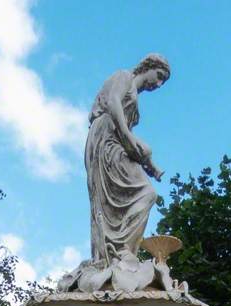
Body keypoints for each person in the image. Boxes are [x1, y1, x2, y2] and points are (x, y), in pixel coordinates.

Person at [59, 54, 171, 291]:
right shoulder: (124, 77)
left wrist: (146, 159)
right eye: (159, 77)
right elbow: (113, 103)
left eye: (163, 82)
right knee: (138, 195)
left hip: (118, 144)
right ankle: (113, 254)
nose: (158, 84)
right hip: (106, 141)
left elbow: (129, 136)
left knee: (147, 194)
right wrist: (129, 136)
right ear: (149, 67)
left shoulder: (135, 98)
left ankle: (123, 251)